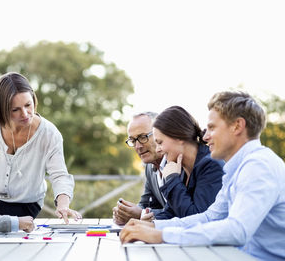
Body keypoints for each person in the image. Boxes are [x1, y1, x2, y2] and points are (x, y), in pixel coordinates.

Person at [119, 91, 285, 261]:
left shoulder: (259, 166)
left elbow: (237, 230)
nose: (204, 136)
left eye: (212, 128)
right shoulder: (237, 169)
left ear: (237, 126)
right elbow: (210, 217)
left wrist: (161, 234)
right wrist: (154, 226)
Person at [0, 72, 81, 223]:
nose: (25, 114)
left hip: (27, 207)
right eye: (15, 109)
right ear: (3, 109)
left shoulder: (49, 133)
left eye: (28, 105)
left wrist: (63, 205)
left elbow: (59, 175)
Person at [142, 105, 224, 221]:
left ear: (179, 137)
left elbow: (196, 219)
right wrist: (152, 221)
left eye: (160, 142)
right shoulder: (179, 168)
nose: (158, 150)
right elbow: (172, 213)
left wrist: (171, 179)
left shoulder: (211, 166)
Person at [112, 112, 166, 225]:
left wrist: (140, 214)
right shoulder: (149, 167)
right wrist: (126, 213)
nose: (138, 146)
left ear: (160, 134)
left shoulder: (179, 163)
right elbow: (146, 204)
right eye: (133, 140)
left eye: (143, 137)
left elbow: (183, 213)